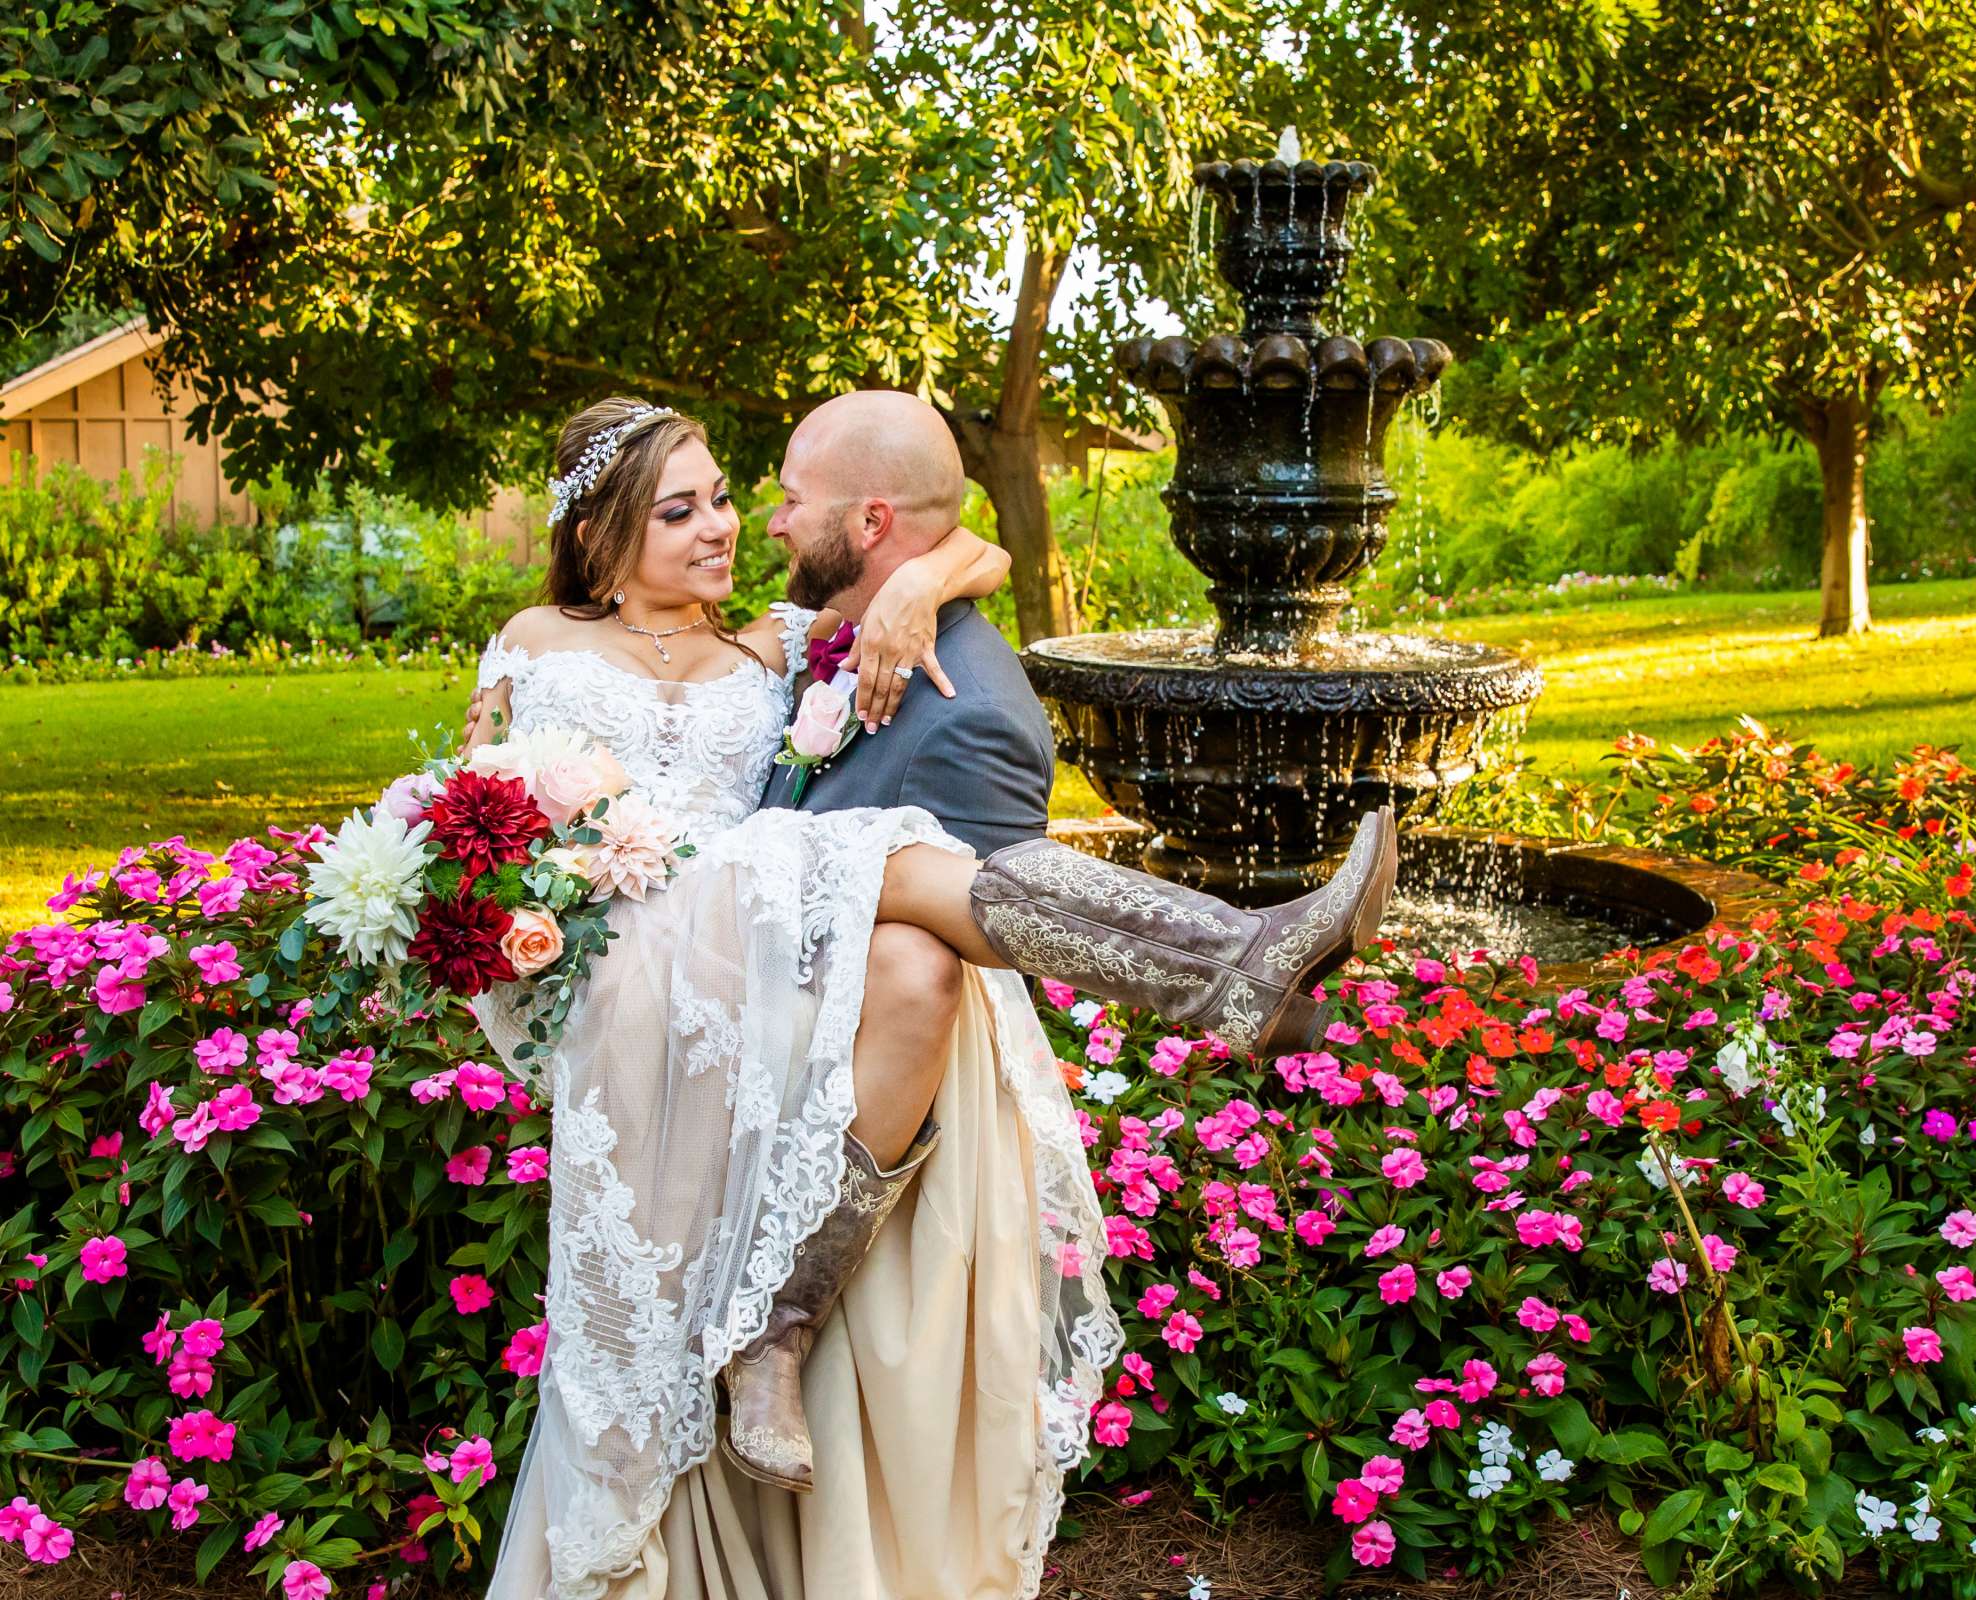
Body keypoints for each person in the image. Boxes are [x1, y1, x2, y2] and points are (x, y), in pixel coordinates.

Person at [466, 395, 1399, 1600]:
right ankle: (1234, 964)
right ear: (600, 533)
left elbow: (967, 543)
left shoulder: (767, 643)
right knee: (882, 849)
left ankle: (1233, 968)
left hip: (748, 947)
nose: (722, 526)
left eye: (726, 498)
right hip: (621, 957)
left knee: (902, 932)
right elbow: (471, 837)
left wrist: (911, 591)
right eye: (679, 509)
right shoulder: (533, 641)